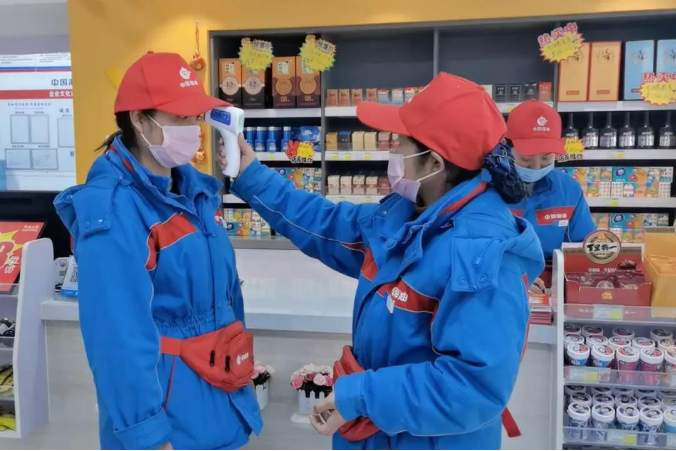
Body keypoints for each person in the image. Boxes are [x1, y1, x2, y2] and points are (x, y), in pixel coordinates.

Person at [222, 73, 544, 449]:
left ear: (434, 163)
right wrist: (253, 177)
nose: (392, 153)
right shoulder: (407, 215)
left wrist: (360, 395)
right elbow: (326, 223)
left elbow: (474, 388)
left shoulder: (482, 253)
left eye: (399, 144)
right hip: (379, 432)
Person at [54, 52, 262, 450]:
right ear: (139, 119)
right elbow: (117, 338)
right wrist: (147, 435)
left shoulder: (198, 193)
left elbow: (225, 302)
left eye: (194, 117)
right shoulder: (115, 210)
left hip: (220, 401)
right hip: (169, 420)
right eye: (179, 118)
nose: (193, 129)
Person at [505, 100, 596, 292]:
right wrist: (511, 276)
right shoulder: (484, 188)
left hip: (552, 286)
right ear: (507, 148)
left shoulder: (568, 190)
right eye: (526, 158)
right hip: (500, 284)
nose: (536, 167)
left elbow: (583, 247)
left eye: (546, 158)